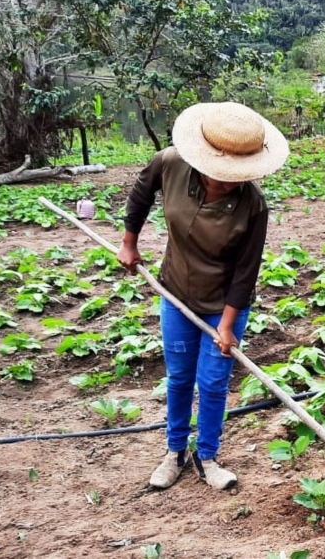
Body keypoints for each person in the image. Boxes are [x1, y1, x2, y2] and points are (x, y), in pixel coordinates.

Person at [118, 102, 289, 490]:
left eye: (238, 174)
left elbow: (246, 274)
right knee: (179, 377)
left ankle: (207, 455)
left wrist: (227, 326)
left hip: (224, 304)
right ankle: (174, 451)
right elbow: (139, 197)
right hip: (175, 291)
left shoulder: (253, 206)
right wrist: (130, 243)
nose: (230, 180)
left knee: (212, 382)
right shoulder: (169, 164)